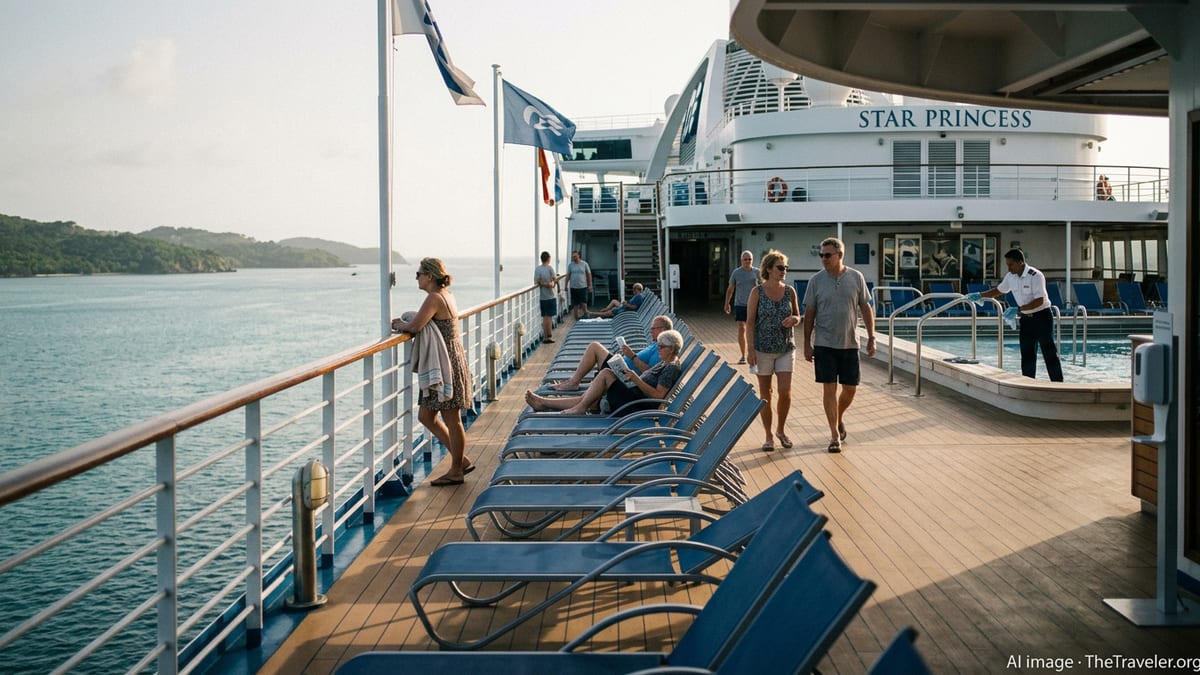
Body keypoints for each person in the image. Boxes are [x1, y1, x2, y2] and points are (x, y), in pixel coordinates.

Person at [390, 257, 474, 486]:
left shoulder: (434, 298)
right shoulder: (447, 295)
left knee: (452, 418)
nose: (416, 277)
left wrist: (399, 325)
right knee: (426, 416)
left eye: (418, 273)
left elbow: (416, 326)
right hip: (452, 359)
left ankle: (456, 470)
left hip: (445, 364)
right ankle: (461, 460)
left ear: (429, 275)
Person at [802, 237, 876, 454]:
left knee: (850, 389)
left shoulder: (856, 277)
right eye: (821, 255)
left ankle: (838, 416)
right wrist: (806, 343)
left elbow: (865, 307)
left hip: (850, 342)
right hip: (824, 343)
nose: (824, 259)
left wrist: (872, 337)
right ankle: (834, 435)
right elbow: (809, 314)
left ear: (840, 255)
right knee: (829, 388)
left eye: (828, 255)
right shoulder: (816, 281)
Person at [525, 329, 685, 415]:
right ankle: (544, 403)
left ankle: (577, 407)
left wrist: (635, 379)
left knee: (605, 374)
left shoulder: (670, 367)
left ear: (671, 349)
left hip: (636, 404)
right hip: (633, 394)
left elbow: (659, 396)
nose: (658, 349)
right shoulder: (666, 361)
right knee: (587, 397)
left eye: (661, 346)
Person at [965, 249, 1064, 382]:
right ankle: (1028, 383)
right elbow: (999, 290)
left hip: (1042, 317)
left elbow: (1039, 300)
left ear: (1020, 262)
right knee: (1027, 353)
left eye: (1011, 264)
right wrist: (980, 295)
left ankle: (1057, 384)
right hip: (1026, 319)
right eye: (1007, 264)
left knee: (1049, 352)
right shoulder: (1010, 277)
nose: (1009, 268)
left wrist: (1018, 309)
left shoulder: (1035, 276)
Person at [746, 250, 802, 452]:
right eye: (780, 267)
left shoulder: (789, 291)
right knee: (765, 393)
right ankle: (768, 434)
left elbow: (798, 314)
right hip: (762, 350)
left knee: (785, 392)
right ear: (768, 269)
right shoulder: (757, 292)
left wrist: (796, 319)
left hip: (786, 347)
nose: (784, 271)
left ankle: (780, 430)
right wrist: (750, 349)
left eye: (786, 268)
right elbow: (750, 322)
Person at [548, 315, 674, 391]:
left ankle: (574, 383)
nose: (650, 331)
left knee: (595, 347)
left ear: (662, 330)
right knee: (595, 346)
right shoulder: (656, 344)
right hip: (621, 367)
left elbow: (649, 371)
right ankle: (578, 383)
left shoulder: (663, 349)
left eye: (653, 328)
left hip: (623, 374)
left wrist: (632, 356)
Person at [724, 250, 760, 364]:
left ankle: (753, 352)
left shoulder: (757, 272)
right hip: (740, 303)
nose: (747, 261)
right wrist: (727, 303)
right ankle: (743, 355)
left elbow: (764, 287)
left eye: (749, 259)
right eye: (745, 259)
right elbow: (730, 289)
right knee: (742, 327)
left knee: (753, 329)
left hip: (754, 304)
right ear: (741, 260)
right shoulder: (736, 272)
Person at [534, 251, 557, 343]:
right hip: (551, 296)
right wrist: (549, 284)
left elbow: (537, 281)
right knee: (549, 317)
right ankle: (549, 336)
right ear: (548, 259)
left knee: (545, 317)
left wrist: (544, 284)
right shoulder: (550, 268)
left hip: (543, 297)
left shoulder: (538, 269)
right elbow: (554, 280)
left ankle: (545, 337)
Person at [566, 250, 592, 319]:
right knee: (575, 303)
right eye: (573, 256)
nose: (573, 258)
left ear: (578, 256)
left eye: (575, 256)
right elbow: (568, 275)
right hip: (573, 287)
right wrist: (566, 285)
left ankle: (586, 314)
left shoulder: (584, 264)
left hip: (582, 286)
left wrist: (590, 285)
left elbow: (589, 274)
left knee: (583, 302)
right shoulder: (570, 265)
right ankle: (576, 317)